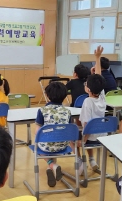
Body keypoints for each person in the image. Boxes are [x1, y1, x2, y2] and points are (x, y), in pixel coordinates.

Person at [35, 82, 72, 187]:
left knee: (40, 143)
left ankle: (52, 164)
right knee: (56, 138)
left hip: (47, 146)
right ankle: (51, 168)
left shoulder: (42, 110)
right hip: (63, 146)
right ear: (64, 96)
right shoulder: (67, 111)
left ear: (47, 95)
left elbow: (37, 132)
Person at [77, 45, 107, 174]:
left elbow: (86, 125)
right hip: (102, 135)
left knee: (72, 135)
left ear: (88, 89)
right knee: (82, 127)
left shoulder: (87, 101)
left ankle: (80, 162)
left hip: (91, 138)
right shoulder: (102, 96)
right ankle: (92, 159)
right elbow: (99, 77)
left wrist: (82, 141)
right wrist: (97, 58)